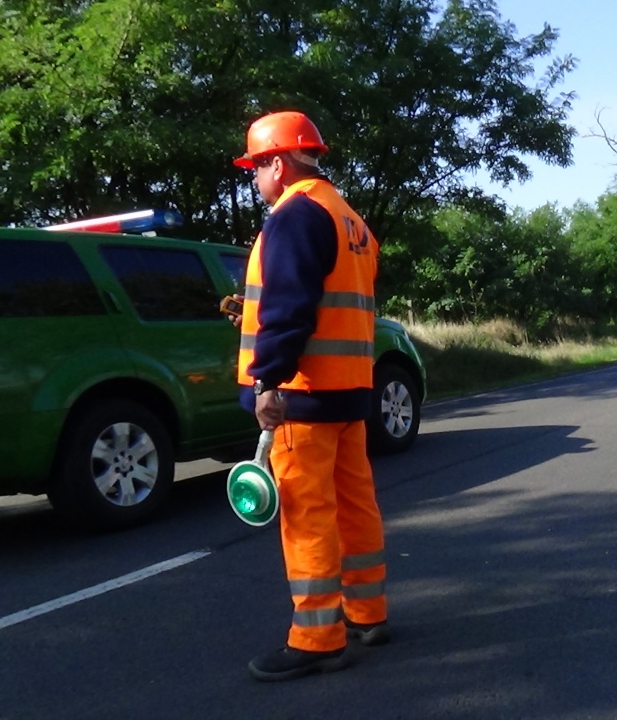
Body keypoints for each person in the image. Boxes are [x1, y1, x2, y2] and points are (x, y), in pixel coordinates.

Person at [233, 110, 390, 682]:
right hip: (349, 393)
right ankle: (367, 612)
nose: (254, 179)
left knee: (307, 514)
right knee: (354, 504)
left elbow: (287, 310)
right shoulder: (351, 220)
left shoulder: (295, 216)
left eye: (255, 167)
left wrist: (266, 380)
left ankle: (319, 637)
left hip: (302, 396)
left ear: (278, 162)